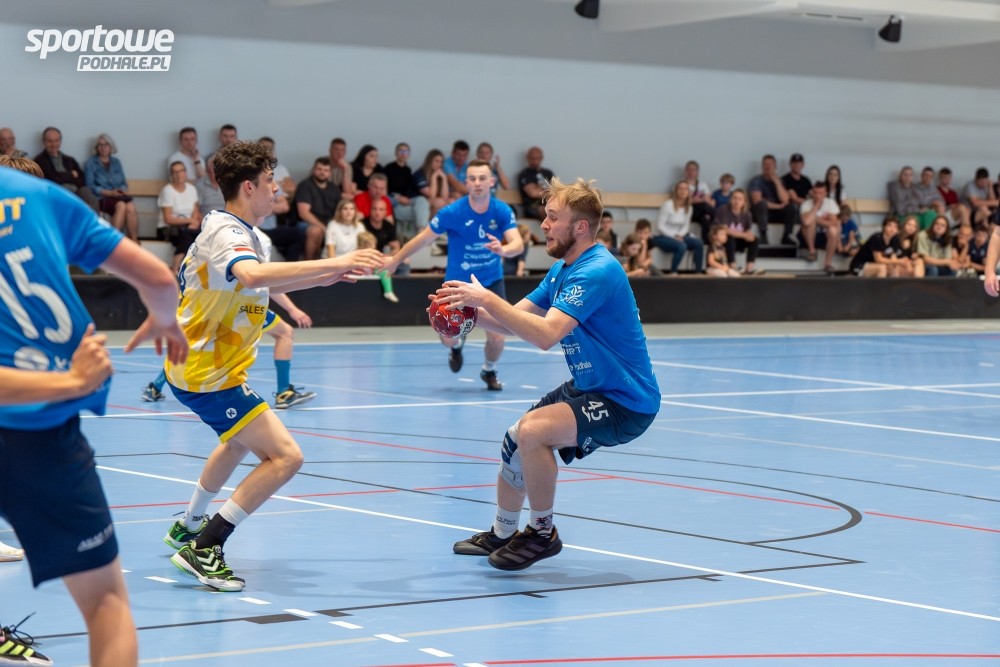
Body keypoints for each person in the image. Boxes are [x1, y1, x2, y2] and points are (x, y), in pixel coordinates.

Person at [162, 141, 384, 592]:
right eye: (269, 182)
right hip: (208, 373)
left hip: (206, 368)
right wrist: (338, 259)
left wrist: (326, 277)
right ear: (249, 187)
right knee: (286, 457)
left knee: (237, 443)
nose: (277, 189)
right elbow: (251, 276)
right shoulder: (228, 233)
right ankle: (205, 547)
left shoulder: (237, 230)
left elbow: (256, 284)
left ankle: (188, 525)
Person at [0, 155, 188, 667]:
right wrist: (163, 320)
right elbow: (158, 279)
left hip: (42, 428)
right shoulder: (36, 195)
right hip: (44, 436)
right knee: (107, 606)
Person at [439, 176, 659, 570]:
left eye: (553, 217)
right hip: (591, 386)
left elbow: (545, 334)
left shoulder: (597, 271)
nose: (543, 224)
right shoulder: (562, 270)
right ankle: (503, 532)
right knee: (515, 440)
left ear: (580, 227)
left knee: (534, 432)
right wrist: (464, 316)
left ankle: (542, 533)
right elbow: (512, 320)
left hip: (626, 400)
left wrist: (485, 297)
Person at [383, 159, 522, 390]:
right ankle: (456, 348)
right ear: (466, 183)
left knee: (498, 337)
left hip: (490, 282)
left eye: (482, 178)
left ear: (491, 182)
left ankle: (488, 370)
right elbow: (423, 239)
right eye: (472, 178)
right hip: (458, 283)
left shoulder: (501, 210)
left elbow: (517, 243)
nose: (477, 183)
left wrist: (504, 250)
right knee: (448, 337)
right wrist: (395, 259)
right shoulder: (453, 212)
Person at [142, 226, 318, 408]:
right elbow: (260, 280)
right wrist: (292, 308)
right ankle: (283, 392)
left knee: (195, 344)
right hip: (237, 304)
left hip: (209, 301)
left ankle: (155, 386)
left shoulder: (217, 229)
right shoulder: (255, 238)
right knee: (284, 333)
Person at [84, 133, 138, 241]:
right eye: (100, 145)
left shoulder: (116, 162)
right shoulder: (90, 163)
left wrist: (122, 190)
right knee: (121, 205)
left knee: (130, 206)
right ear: (96, 147)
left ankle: (134, 240)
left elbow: (123, 182)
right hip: (101, 198)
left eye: (106, 144)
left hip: (117, 196)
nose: (103, 148)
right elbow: (90, 187)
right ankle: (112, 241)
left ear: (111, 146)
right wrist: (109, 193)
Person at [34, 126, 99, 210]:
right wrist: (71, 174)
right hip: (57, 193)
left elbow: (82, 180)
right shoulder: (39, 161)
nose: (54, 144)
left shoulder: (69, 160)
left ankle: (93, 218)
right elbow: (53, 179)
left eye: (56, 140)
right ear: (44, 142)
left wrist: (62, 176)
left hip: (76, 192)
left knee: (87, 194)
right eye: (50, 141)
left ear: (60, 141)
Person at [288, 157, 340, 260]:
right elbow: (303, 213)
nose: (322, 172)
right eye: (319, 169)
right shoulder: (305, 186)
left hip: (328, 223)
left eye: (326, 170)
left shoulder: (334, 189)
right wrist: (325, 229)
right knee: (316, 231)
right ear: (313, 170)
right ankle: (310, 263)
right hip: (304, 224)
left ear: (330, 173)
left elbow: (339, 211)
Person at [158, 161, 202, 272]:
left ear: (185, 172)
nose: (179, 175)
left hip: (187, 227)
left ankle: (185, 270)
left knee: (200, 235)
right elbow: (168, 219)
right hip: (168, 229)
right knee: (187, 235)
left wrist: (193, 222)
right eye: (175, 172)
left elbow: (196, 211)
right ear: (171, 175)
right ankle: (175, 269)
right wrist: (190, 221)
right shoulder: (167, 190)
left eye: (181, 171)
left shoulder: (192, 189)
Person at [652, 180, 703, 274]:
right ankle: (673, 272)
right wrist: (675, 237)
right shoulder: (668, 205)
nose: (683, 191)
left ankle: (698, 272)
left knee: (698, 243)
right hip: (661, 236)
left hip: (679, 236)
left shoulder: (689, 208)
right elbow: (660, 226)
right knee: (682, 246)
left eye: (685, 189)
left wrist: (680, 235)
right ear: (676, 191)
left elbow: (686, 226)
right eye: (680, 189)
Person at [385, 142, 430, 240]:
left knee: (422, 201)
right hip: (394, 202)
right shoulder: (388, 168)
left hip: (407, 199)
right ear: (396, 153)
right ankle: (421, 235)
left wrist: (407, 199)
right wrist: (397, 198)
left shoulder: (408, 170)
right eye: (400, 151)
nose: (403, 154)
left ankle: (421, 230)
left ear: (409, 154)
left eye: (406, 151)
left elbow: (409, 190)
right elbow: (384, 190)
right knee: (420, 213)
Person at [748, 154, 794, 245]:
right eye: (765, 164)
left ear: (775, 166)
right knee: (761, 204)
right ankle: (763, 236)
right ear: (762, 166)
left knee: (793, 207)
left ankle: (786, 236)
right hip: (762, 212)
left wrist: (777, 182)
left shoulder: (780, 181)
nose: (768, 166)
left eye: (770, 164)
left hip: (777, 213)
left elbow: (785, 200)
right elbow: (757, 200)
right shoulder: (756, 181)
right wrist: (778, 206)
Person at [714, 188, 760, 274]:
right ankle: (732, 266)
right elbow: (725, 230)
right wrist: (743, 235)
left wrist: (748, 236)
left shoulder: (747, 214)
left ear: (744, 202)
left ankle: (749, 268)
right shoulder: (723, 209)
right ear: (730, 199)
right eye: (734, 198)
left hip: (738, 241)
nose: (737, 201)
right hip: (723, 240)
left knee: (755, 240)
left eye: (740, 199)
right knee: (729, 238)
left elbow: (748, 233)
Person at [798, 181, 840, 269]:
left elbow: (834, 222)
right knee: (809, 223)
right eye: (816, 193)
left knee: (833, 230)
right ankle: (812, 252)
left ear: (825, 194)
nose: (818, 195)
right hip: (808, 236)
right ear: (812, 193)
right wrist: (816, 205)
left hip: (824, 235)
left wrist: (816, 219)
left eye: (820, 193)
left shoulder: (830, 203)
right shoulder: (806, 204)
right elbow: (806, 222)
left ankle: (828, 263)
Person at [888, 166, 937, 230]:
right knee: (917, 219)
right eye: (905, 174)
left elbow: (922, 201)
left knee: (931, 214)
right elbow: (901, 210)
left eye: (910, 175)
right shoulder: (895, 188)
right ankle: (925, 234)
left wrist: (929, 206)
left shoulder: (913, 188)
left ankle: (927, 234)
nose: (908, 177)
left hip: (914, 214)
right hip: (901, 216)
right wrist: (919, 210)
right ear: (900, 175)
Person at [356, 230, 399, 303]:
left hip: (370, 275)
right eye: (370, 245)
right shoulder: (356, 255)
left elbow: (378, 264)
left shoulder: (374, 255)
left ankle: (388, 291)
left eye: (374, 245)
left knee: (384, 271)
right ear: (362, 246)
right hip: (358, 278)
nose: (374, 247)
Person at [681, 160, 715, 242]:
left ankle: (707, 242)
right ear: (685, 171)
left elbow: (708, 201)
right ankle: (716, 218)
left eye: (694, 170)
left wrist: (695, 200)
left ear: (697, 172)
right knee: (703, 205)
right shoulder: (681, 184)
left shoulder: (703, 184)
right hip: (688, 211)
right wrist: (701, 200)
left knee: (705, 220)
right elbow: (681, 202)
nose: (691, 172)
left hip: (702, 212)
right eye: (689, 169)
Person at [517, 146, 554, 220]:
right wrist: (548, 191)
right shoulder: (525, 174)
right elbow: (533, 193)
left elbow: (556, 191)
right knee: (547, 211)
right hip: (532, 206)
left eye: (537, 158)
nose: (534, 161)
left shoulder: (548, 173)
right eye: (532, 158)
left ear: (541, 158)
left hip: (550, 204)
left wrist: (538, 188)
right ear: (527, 158)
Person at [413, 148, 449, 220]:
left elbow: (445, 196)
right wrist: (434, 177)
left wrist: (444, 178)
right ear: (429, 161)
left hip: (430, 201)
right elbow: (431, 195)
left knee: (451, 201)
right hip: (418, 200)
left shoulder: (439, 174)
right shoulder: (420, 174)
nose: (438, 164)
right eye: (436, 161)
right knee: (439, 202)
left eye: (440, 162)